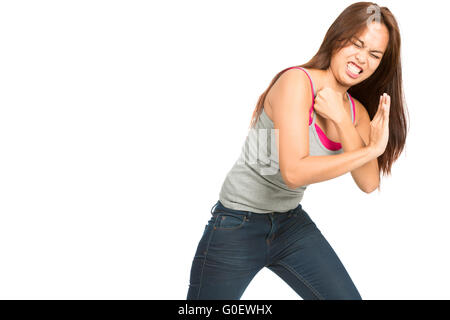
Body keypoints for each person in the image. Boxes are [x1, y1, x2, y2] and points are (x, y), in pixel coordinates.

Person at [186, 2, 408, 300]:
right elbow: (294, 172)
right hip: (237, 223)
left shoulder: (356, 114)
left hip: (289, 224)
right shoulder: (296, 82)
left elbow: (368, 183)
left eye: (374, 54)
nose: (362, 58)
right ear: (337, 37)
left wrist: (343, 121)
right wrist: (370, 149)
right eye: (357, 43)